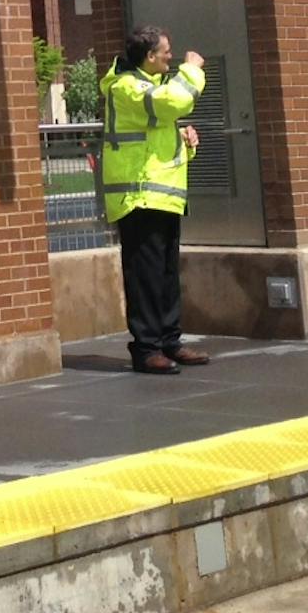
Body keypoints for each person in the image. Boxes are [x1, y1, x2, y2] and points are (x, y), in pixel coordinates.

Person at [100, 25, 208, 376]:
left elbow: (154, 141)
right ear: (149, 56)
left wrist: (183, 142)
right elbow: (173, 102)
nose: (170, 56)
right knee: (145, 276)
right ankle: (146, 349)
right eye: (166, 51)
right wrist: (192, 69)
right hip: (138, 197)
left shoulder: (148, 87)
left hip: (160, 195)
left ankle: (168, 341)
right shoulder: (126, 87)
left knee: (164, 275)